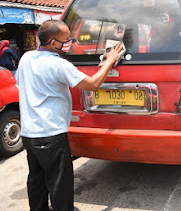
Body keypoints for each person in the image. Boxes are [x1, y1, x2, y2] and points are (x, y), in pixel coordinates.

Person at [17, 20, 123, 211]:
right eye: (66, 39)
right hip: (50, 134)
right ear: (53, 42)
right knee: (60, 184)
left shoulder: (26, 58)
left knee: (37, 179)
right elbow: (93, 84)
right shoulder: (58, 65)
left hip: (29, 134)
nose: (71, 42)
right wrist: (110, 60)